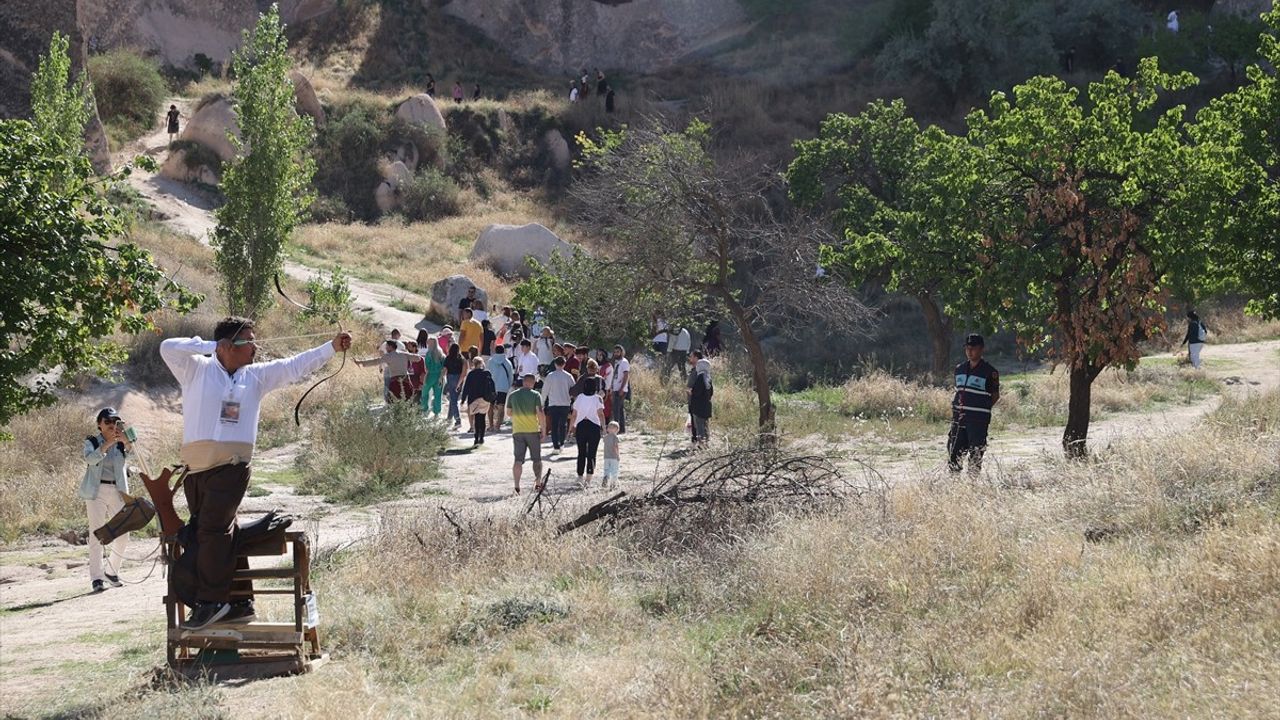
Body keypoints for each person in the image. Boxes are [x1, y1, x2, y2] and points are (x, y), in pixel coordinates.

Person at [160, 317, 351, 629]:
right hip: (196, 471)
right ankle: (240, 602)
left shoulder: (256, 376)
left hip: (231, 469)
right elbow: (167, 347)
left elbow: (295, 366)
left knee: (213, 531)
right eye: (247, 341)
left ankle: (212, 602)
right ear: (225, 347)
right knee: (213, 533)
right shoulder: (196, 368)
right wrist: (211, 346)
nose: (255, 347)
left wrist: (330, 347)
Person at [80, 407, 132, 592]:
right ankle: (96, 579)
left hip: (117, 491)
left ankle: (111, 571)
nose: (112, 425)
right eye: (108, 422)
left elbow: (134, 456)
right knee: (96, 533)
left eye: (115, 422)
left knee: (124, 533)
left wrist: (127, 442)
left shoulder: (121, 442)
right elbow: (90, 459)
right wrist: (106, 444)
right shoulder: (92, 441)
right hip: (96, 491)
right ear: (99, 424)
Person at [948, 334, 1000, 476]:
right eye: (967, 348)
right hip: (958, 420)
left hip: (977, 421)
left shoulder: (990, 372)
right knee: (954, 454)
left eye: (974, 348)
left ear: (981, 349)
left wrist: (980, 409)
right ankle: (954, 486)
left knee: (975, 454)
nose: (970, 351)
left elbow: (995, 396)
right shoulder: (959, 369)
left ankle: (972, 487)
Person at [506, 374, 547, 494]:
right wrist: (543, 430)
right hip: (532, 430)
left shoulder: (513, 395)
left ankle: (517, 486)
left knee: (518, 460)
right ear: (533, 383)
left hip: (517, 430)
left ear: (524, 382)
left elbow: (508, 413)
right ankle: (538, 483)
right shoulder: (535, 395)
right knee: (536, 459)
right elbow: (540, 413)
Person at [569, 372, 606, 484]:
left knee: (581, 452)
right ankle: (589, 477)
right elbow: (601, 414)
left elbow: (574, 414)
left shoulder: (579, 398)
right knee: (592, 452)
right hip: (594, 426)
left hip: (581, 426)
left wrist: (571, 428)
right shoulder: (597, 398)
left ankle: (580, 475)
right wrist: (603, 427)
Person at [459, 357, 495, 446]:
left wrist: (463, 400)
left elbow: (466, 388)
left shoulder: (471, 374)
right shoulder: (487, 373)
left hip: (473, 399)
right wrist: (493, 398)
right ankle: (481, 438)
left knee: (476, 418)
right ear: (482, 363)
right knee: (482, 418)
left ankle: (476, 438)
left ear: (473, 364)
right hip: (484, 399)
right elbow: (492, 387)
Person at [543, 357, 574, 452]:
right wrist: (572, 400)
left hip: (553, 403)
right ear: (564, 364)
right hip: (565, 403)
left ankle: (555, 445)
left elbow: (545, 391)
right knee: (563, 424)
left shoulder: (550, 376)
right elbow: (573, 389)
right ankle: (562, 443)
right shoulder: (568, 376)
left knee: (554, 424)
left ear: (555, 364)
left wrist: (542, 402)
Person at [687, 352, 713, 445]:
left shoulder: (700, 377)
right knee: (705, 426)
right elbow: (711, 393)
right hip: (706, 406)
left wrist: (691, 392)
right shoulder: (708, 378)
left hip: (698, 406)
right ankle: (706, 443)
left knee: (699, 427)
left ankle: (701, 445)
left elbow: (697, 392)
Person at [488, 344, 515, 430]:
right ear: (504, 351)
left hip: (491, 387)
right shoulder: (507, 362)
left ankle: (491, 425)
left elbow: (487, 374)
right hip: (503, 387)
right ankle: (498, 426)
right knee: (501, 407)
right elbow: (511, 376)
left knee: (490, 406)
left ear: (495, 351)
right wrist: (508, 385)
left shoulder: (490, 361)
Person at [419, 331, 446, 417]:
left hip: (430, 375)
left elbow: (426, 367)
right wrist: (441, 377)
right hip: (440, 376)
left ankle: (424, 409)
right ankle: (436, 413)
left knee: (425, 393)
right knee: (438, 395)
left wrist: (425, 377)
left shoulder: (429, 353)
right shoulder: (441, 353)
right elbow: (444, 367)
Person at [609, 345, 631, 434]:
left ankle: (616, 429)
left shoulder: (624, 362)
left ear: (622, 352)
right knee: (620, 409)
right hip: (615, 388)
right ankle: (622, 429)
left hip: (620, 389)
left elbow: (626, 376)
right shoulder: (617, 362)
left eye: (618, 352)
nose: (616, 353)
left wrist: (622, 388)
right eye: (615, 352)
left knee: (616, 409)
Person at [443, 343, 465, 428]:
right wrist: (460, 382)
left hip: (451, 378)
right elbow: (463, 372)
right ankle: (449, 419)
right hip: (459, 379)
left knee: (453, 401)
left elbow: (445, 369)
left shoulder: (448, 358)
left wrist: (441, 379)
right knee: (453, 399)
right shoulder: (461, 358)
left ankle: (458, 420)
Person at [601, 421, 621, 487]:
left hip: (606, 457)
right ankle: (613, 484)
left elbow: (604, 438)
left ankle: (605, 479)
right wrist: (617, 455)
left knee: (606, 470)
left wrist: (604, 430)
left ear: (608, 429)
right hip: (614, 457)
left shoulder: (605, 437)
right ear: (617, 430)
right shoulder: (615, 437)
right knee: (614, 470)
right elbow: (615, 446)